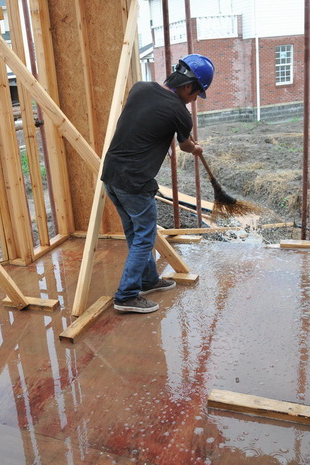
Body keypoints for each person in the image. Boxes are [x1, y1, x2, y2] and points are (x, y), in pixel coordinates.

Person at [101, 53, 215, 313]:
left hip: (111, 176)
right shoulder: (180, 114)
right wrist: (195, 149)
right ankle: (127, 295)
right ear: (188, 86)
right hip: (135, 182)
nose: (195, 99)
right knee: (144, 237)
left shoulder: (140, 88)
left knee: (137, 233)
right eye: (197, 94)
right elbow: (185, 145)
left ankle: (148, 280)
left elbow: (148, 118)